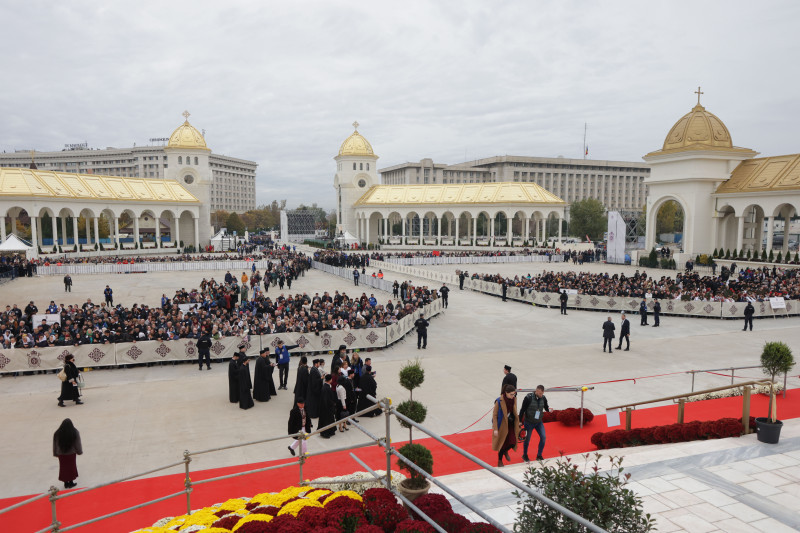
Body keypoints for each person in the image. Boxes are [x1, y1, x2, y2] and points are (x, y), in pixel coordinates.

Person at [519, 385, 550, 462]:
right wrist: (520, 421)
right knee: (527, 440)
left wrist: (549, 410)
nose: (540, 395)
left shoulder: (543, 398)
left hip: (539, 422)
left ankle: (539, 455)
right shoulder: (528, 398)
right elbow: (522, 409)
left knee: (543, 437)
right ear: (536, 390)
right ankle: (525, 455)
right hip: (529, 422)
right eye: (538, 393)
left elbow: (546, 407)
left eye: (541, 394)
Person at [492, 384, 520, 467]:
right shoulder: (499, 401)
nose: (513, 396)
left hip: (511, 424)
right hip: (502, 426)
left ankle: (505, 451)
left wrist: (518, 422)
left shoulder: (514, 399)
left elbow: (514, 411)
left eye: (514, 394)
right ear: (506, 393)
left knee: (513, 442)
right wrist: (496, 429)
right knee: (502, 443)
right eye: (511, 394)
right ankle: (500, 461)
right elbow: (495, 415)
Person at [53, 418, 83, 489]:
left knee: (63, 468)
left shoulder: (57, 433)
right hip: (71, 454)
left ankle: (66, 483)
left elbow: (55, 444)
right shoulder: (74, 432)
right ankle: (71, 482)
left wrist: (55, 453)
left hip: (61, 454)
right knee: (71, 467)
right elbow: (77, 443)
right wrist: (79, 451)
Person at [319, 374, 338, 438]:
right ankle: (325, 433)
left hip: (326, 407)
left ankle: (330, 431)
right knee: (326, 421)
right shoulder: (326, 388)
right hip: (327, 408)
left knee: (329, 420)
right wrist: (332, 404)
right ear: (330, 380)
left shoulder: (326, 387)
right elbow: (326, 399)